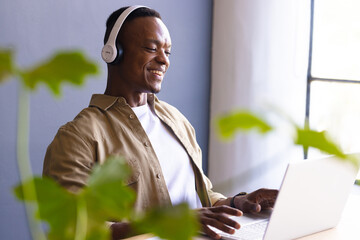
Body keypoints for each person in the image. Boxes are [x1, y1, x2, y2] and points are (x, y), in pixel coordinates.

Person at [43, 6, 278, 240]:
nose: (163, 60)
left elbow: (202, 196)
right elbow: (73, 228)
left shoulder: (176, 119)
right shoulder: (78, 137)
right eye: (151, 48)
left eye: (168, 51)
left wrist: (238, 202)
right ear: (114, 53)